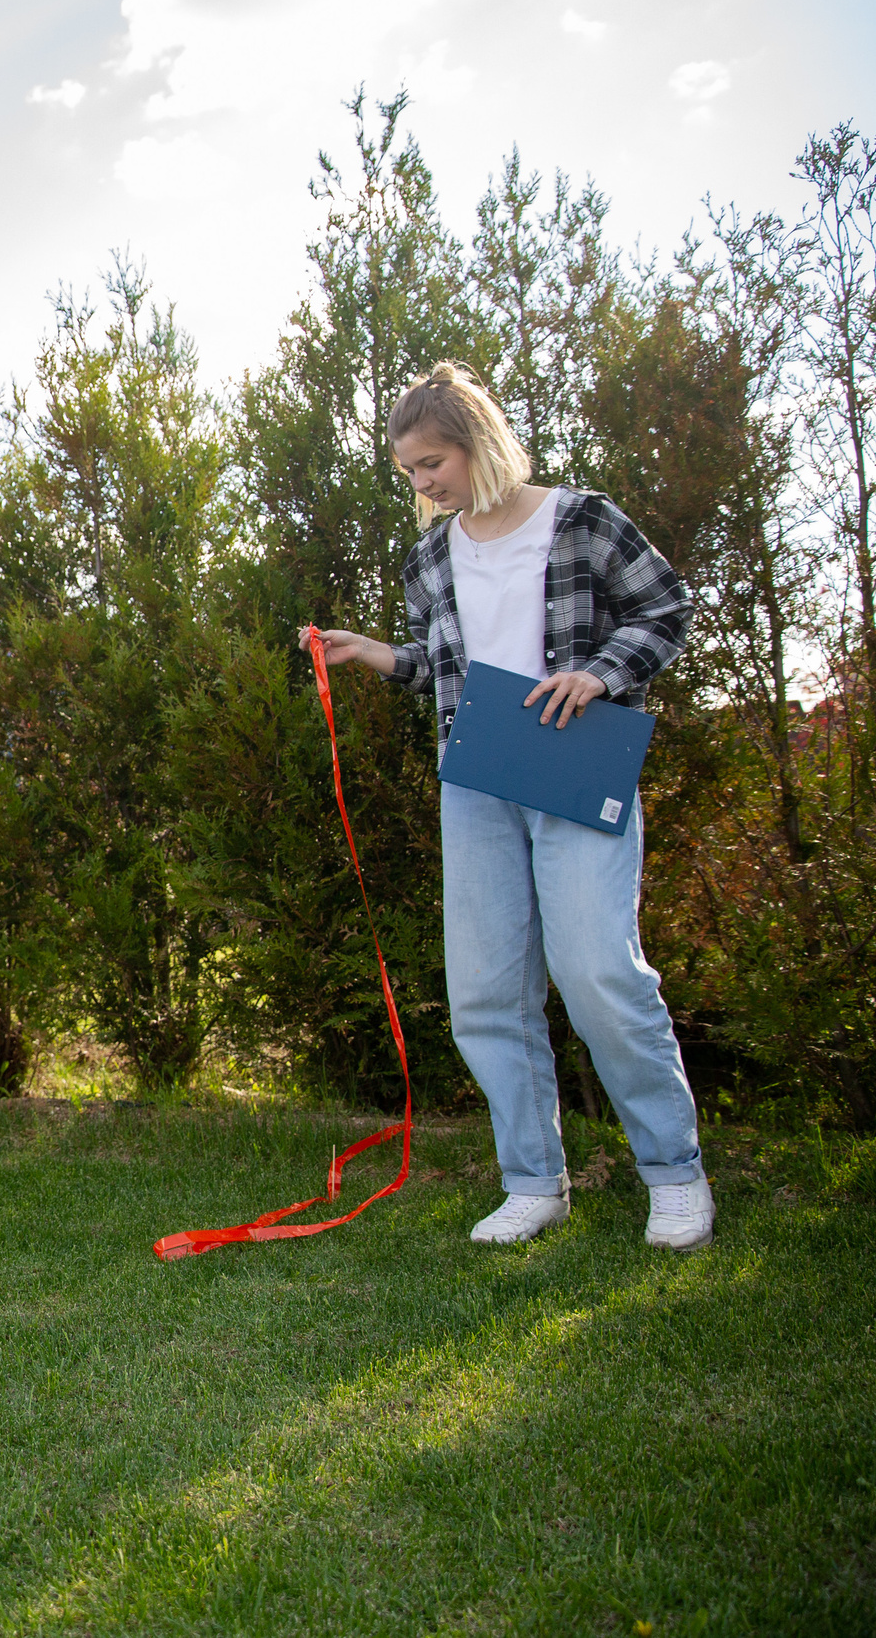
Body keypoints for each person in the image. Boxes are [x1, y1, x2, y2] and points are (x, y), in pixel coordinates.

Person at [304, 360, 711, 1252]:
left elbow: (667, 608)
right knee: (486, 990)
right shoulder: (430, 556)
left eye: (432, 462)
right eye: (409, 469)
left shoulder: (582, 519)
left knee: (601, 972)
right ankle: (533, 1181)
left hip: (573, 766)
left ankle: (674, 1173)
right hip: (477, 780)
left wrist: (600, 674)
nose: (422, 482)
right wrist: (378, 653)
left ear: (477, 442)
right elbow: (450, 668)